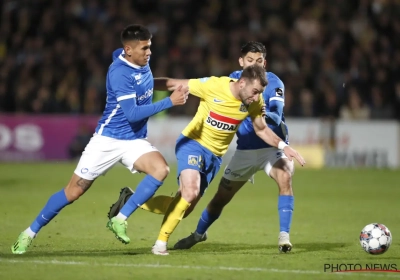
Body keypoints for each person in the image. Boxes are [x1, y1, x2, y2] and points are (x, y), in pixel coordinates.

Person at [11, 24, 188, 254]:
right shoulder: (119, 73)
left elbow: (149, 81)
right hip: (107, 140)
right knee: (73, 192)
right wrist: (169, 102)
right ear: (129, 49)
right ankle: (28, 233)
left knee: (161, 169)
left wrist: (175, 83)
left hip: (133, 140)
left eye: (150, 47)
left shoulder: (138, 60)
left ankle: (120, 218)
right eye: (145, 48)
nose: (149, 52)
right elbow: (132, 113)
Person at [108, 42, 296, 253]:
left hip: (218, 155)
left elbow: (267, 122)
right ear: (241, 64)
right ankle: (161, 245)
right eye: (250, 60)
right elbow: (173, 83)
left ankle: (133, 200)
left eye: (259, 61)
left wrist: (280, 142)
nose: (255, 65)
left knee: (185, 205)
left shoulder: (263, 90)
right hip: (196, 144)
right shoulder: (218, 84)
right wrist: (142, 84)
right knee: (191, 193)